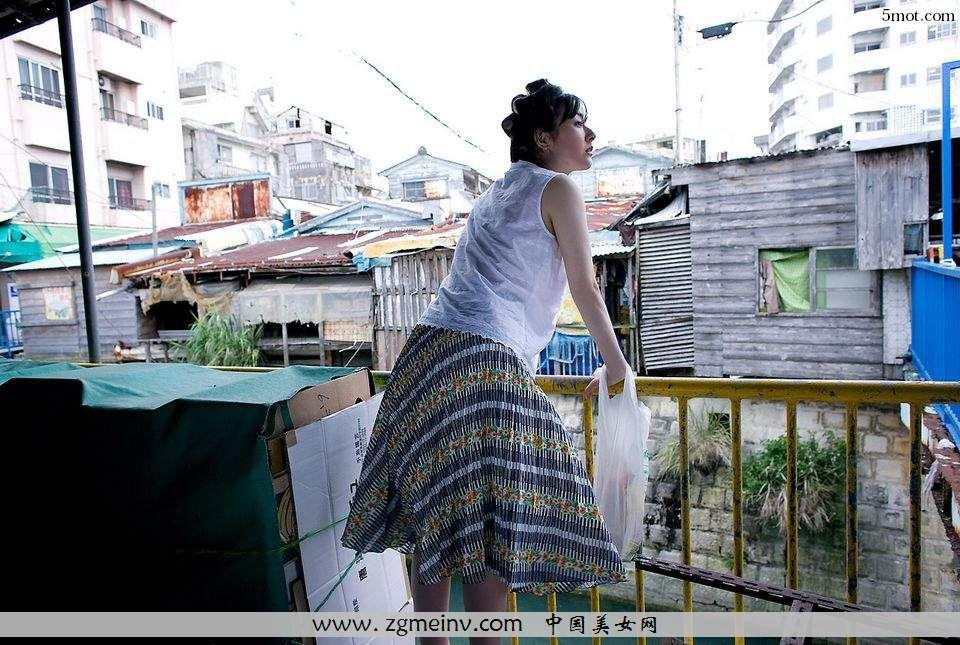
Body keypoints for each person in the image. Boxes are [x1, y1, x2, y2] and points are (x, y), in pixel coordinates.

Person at [341, 79, 631, 644]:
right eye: (578, 123)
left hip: (424, 358)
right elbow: (585, 285)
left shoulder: (495, 195)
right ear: (546, 139)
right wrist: (618, 367)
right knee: (492, 532)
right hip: (482, 363)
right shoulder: (560, 190)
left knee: (438, 524)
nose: (591, 134)